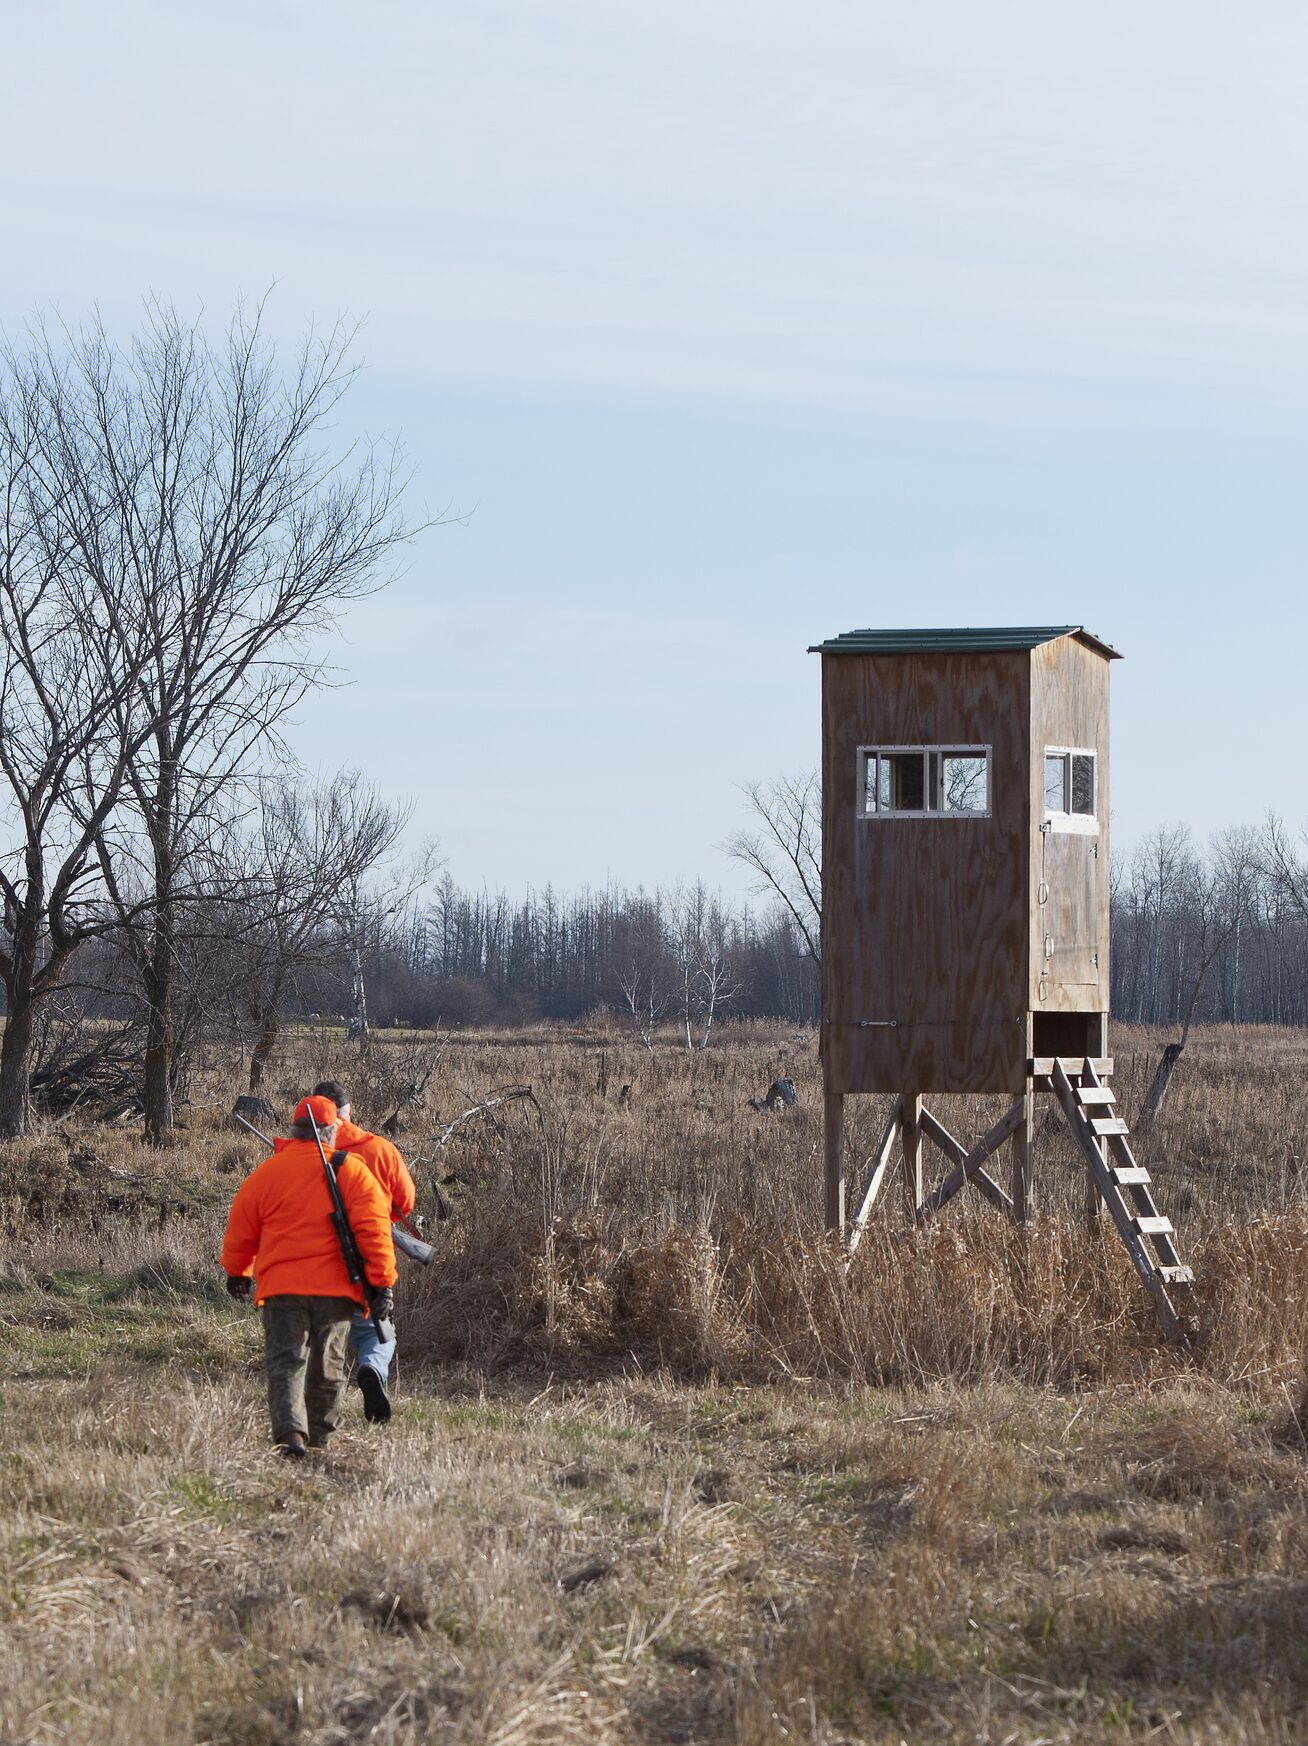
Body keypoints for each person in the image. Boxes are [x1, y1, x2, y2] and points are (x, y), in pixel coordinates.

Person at [221, 1094, 397, 1459]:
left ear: (292, 1131)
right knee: (328, 1365)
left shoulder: (267, 1173)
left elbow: (241, 1229)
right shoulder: (353, 1171)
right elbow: (374, 1232)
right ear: (332, 1130)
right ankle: (320, 1438)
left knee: (286, 1363)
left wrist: (238, 1272)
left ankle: (290, 1435)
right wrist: (382, 1284)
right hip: (336, 1292)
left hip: (281, 1290)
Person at [311, 1079, 417, 1425]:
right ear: (349, 1111)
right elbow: (406, 1203)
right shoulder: (381, 1149)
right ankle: (372, 1368)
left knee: (323, 1331)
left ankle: (320, 1410)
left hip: (319, 1256)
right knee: (374, 1330)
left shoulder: (306, 1152)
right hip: (373, 1254)